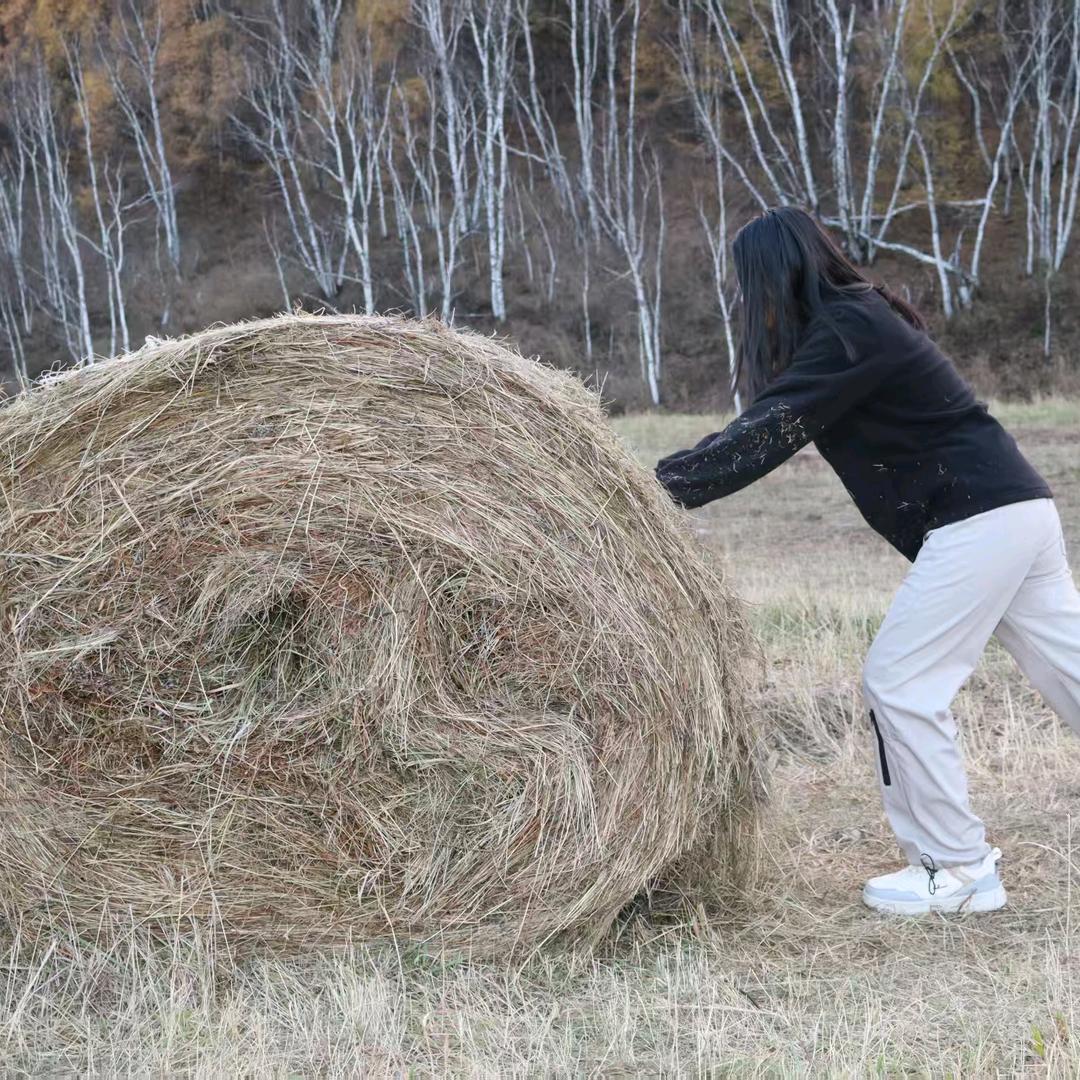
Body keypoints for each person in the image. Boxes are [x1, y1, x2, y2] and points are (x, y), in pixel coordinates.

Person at [655, 206, 1080, 915]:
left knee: (901, 682)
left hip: (978, 517)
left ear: (775, 274)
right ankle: (955, 864)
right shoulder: (861, 319)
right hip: (1015, 509)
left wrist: (652, 492)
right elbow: (771, 422)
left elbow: (769, 431)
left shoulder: (850, 330)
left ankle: (958, 868)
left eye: (748, 284)